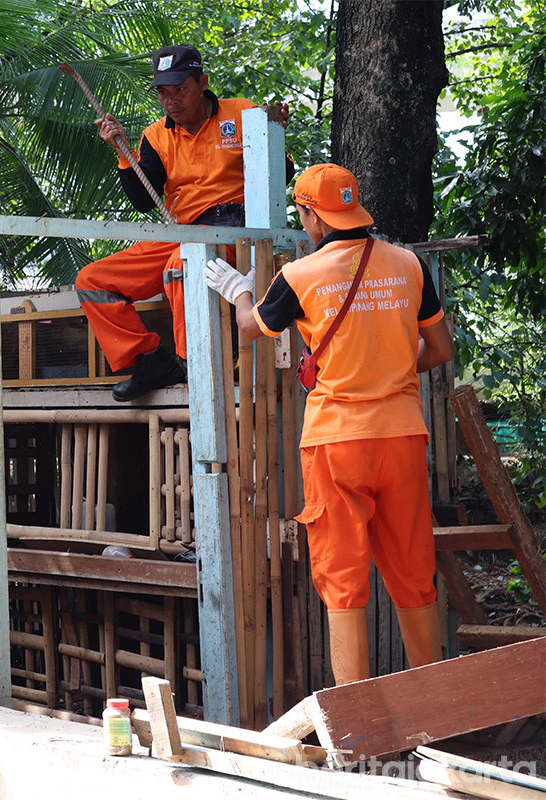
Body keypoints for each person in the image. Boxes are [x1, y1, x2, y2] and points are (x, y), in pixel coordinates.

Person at [205, 163, 454, 684]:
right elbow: (440, 349)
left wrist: (239, 290)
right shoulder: (409, 266)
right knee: (413, 574)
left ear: (312, 215)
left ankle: (358, 731)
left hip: (336, 442)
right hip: (403, 435)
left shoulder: (300, 276)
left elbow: (252, 329)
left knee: (342, 580)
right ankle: (436, 712)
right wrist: (389, 371)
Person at [76, 44, 290, 401]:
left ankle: (195, 365)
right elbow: (144, 201)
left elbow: (282, 173)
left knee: (182, 264)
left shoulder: (242, 112)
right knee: (92, 281)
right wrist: (122, 151)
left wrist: (272, 130)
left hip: (233, 231)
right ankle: (150, 360)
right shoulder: (156, 135)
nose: (171, 100)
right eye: (163, 92)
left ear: (202, 83)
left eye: (180, 90)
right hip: (180, 232)